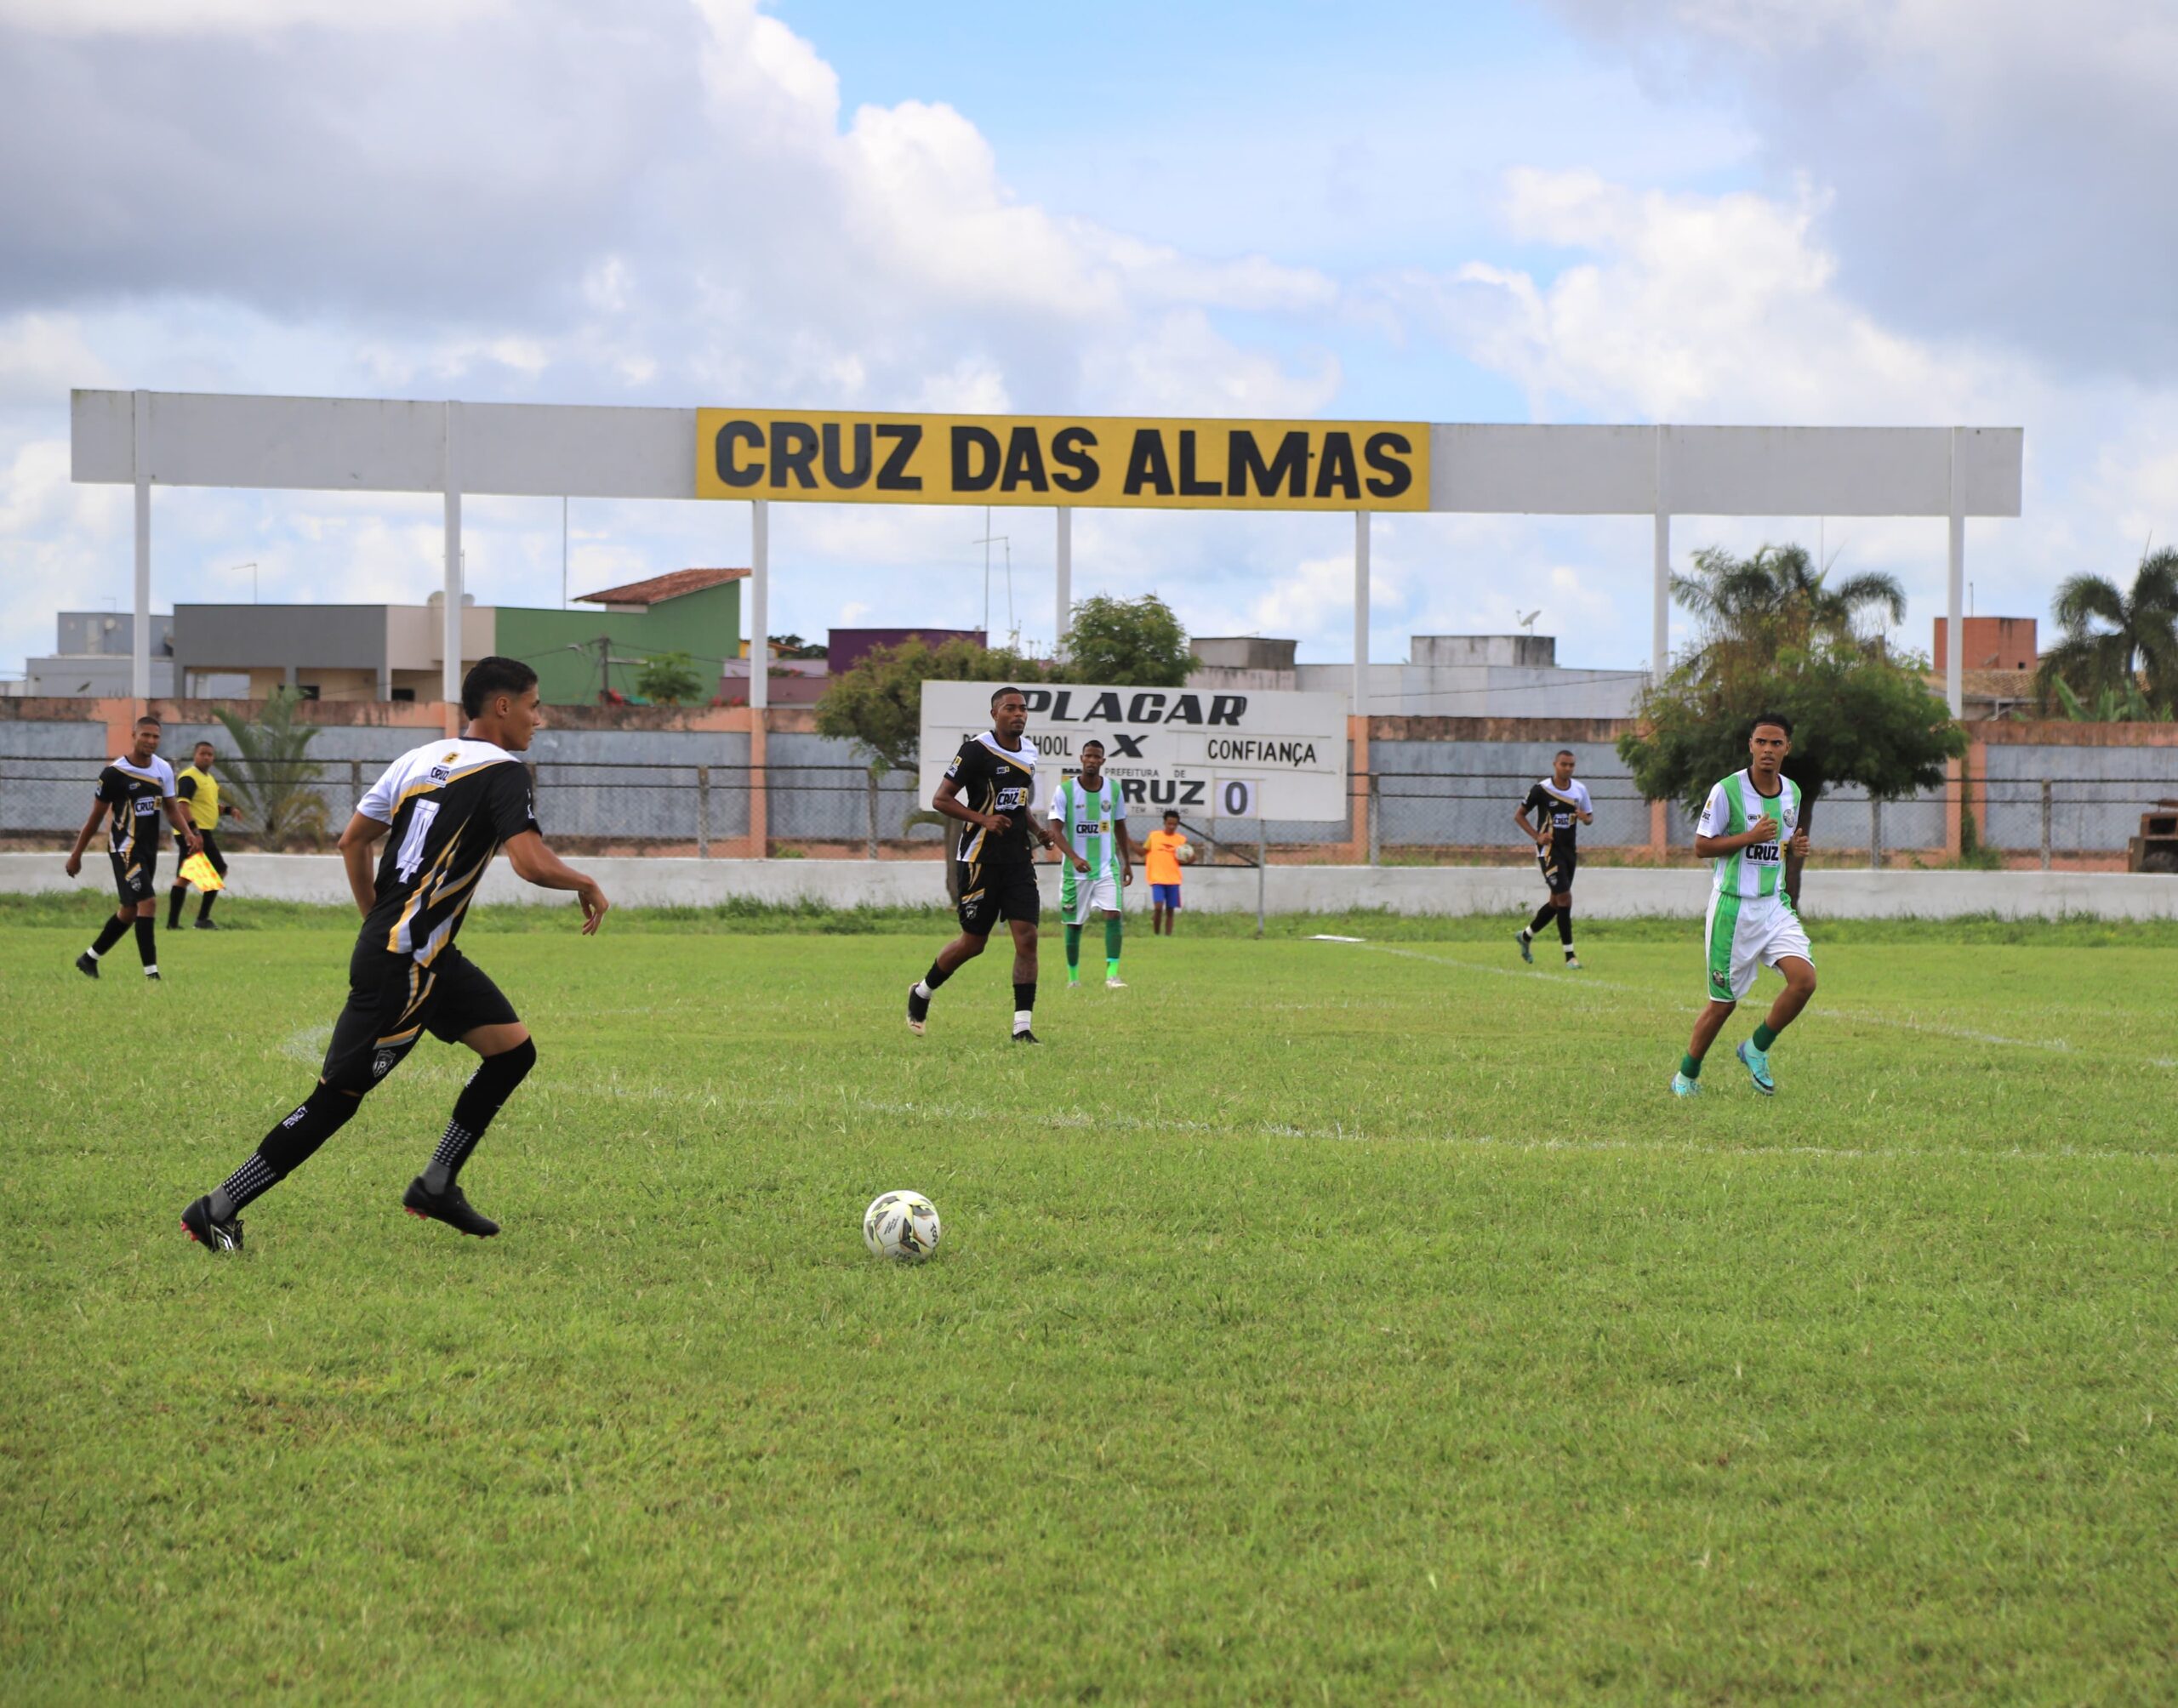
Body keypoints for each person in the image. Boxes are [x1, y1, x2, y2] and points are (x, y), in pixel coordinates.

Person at [178, 658, 610, 1252]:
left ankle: (435, 1184)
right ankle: (215, 1207)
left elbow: (352, 839)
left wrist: (376, 919)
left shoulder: (418, 760)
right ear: (502, 707)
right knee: (336, 1100)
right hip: (403, 965)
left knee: (512, 1053)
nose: (541, 718)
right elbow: (531, 863)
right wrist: (584, 882)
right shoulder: (507, 771)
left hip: (421, 954)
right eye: (535, 705)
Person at [1672, 713, 1816, 1099]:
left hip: (1773, 905)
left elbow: (1777, 847)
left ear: (1788, 748)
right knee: (1723, 1005)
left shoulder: (1793, 793)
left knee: (1804, 981)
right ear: (1750, 745)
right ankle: (1686, 1076)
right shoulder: (1727, 790)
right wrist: (1748, 837)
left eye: (1776, 743)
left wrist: (1791, 848)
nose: (1768, 750)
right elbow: (1702, 847)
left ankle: (1755, 1048)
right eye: (1761, 742)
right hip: (1733, 910)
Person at [906, 686, 1056, 1043]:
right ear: (995, 714)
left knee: (1028, 938)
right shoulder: (976, 751)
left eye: (1022, 709)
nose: (1018, 714)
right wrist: (983, 819)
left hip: (1018, 859)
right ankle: (922, 991)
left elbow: (1016, 802)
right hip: (979, 859)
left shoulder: (1029, 752)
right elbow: (940, 799)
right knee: (974, 943)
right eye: (1010, 708)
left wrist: (1037, 831)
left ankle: (1022, 1028)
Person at [66, 715, 200, 982]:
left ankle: (89, 959)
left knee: (129, 911)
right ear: (134, 735)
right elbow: (95, 819)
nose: (151, 741)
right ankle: (152, 975)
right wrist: (76, 855)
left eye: (156, 737)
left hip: (149, 850)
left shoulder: (163, 770)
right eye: (146, 735)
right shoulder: (114, 774)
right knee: (147, 903)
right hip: (124, 848)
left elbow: (172, 809)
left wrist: (188, 833)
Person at [1046, 738, 1132, 989]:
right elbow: (1055, 831)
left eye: (1097, 757)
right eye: (1089, 756)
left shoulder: (1114, 790)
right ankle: (1073, 978)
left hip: (1107, 866)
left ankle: (1112, 976)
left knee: (1113, 914)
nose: (1092, 761)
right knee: (1074, 923)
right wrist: (1074, 857)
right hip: (1075, 871)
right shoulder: (1065, 791)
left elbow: (1120, 827)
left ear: (1103, 761)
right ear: (1082, 759)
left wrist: (1127, 862)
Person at [1514, 749, 1594, 969]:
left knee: (1556, 902)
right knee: (1565, 898)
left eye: (1571, 765)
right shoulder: (1541, 790)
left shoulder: (1579, 790)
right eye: (1564, 764)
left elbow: (1589, 818)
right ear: (1555, 764)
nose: (1567, 768)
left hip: (1569, 852)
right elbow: (1519, 815)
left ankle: (1526, 935)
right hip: (1548, 852)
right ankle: (1570, 956)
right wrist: (1537, 836)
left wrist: (1585, 818)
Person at [168, 740, 244, 930]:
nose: (207, 757)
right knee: (218, 869)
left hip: (200, 832)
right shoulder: (189, 777)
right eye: (203, 753)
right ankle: (199, 920)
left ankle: (177, 923)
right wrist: (194, 832)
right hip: (194, 832)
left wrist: (228, 810)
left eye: (210, 754)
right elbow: (182, 805)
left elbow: (209, 806)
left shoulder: (209, 779)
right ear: (195, 755)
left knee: (187, 877)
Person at [1143, 809, 1189, 935]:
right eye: (1169, 824)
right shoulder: (1154, 836)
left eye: (1174, 824)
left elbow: (1188, 857)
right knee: (1158, 908)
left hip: (1173, 879)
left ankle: (1168, 936)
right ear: (1164, 823)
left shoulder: (1181, 840)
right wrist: (1128, 841)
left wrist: (1189, 858)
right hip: (1157, 878)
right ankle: (1156, 934)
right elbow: (1143, 851)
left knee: (1170, 910)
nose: (1171, 827)